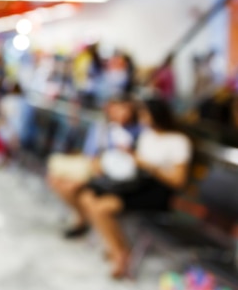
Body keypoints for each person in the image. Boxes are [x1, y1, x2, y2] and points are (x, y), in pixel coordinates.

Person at [80, 98, 192, 278]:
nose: (140, 118)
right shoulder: (147, 135)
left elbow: (178, 181)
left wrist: (148, 165)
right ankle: (116, 247)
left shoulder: (178, 141)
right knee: (87, 196)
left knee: (101, 208)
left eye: (144, 114)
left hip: (157, 191)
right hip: (136, 183)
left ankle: (120, 253)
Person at [48, 98, 140, 239]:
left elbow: (130, 163)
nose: (118, 113)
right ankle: (82, 216)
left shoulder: (136, 131)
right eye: (115, 108)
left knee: (73, 187)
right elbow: (90, 152)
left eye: (123, 109)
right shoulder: (102, 127)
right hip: (94, 167)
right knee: (55, 180)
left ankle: (82, 220)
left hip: (114, 176)